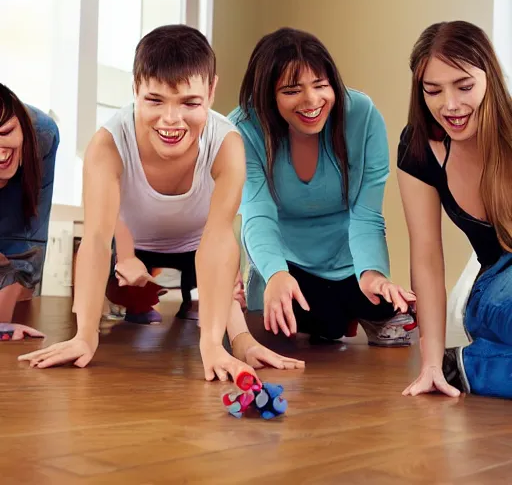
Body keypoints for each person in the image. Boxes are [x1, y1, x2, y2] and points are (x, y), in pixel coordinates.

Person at [18, 25, 304, 381]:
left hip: (195, 247)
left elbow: (217, 241)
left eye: (190, 102)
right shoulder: (108, 145)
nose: (171, 119)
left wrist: (224, 342)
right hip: (131, 246)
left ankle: (236, 336)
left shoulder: (226, 144)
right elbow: (95, 238)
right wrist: (85, 336)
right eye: (154, 100)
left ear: (212, 91)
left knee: (221, 265)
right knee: (105, 265)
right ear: (135, 89)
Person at [229, 28, 416, 347]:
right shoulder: (244, 129)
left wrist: (372, 274)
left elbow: (367, 214)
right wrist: (275, 274)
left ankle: (353, 306)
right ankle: (329, 314)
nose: (312, 101)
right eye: (291, 90)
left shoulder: (363, 115)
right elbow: (257, 215)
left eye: (321, 85)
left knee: (385, 308)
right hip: (286, 264)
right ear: (267, 96)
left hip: (349, 258)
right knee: (312, 327)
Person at [398, 20, 512, 399]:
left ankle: (468, 365)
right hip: (491, 289)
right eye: (433, 90)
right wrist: (430, 361)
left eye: (464, 87)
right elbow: (427, 257)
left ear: (489, 79)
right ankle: (451, 365)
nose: (450, 105)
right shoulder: (419, 148)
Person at [0, 83, 58, 340]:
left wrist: (1, 325)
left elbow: (25, 244)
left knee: (21, 279)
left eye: (7, 132)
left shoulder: (42, 133)